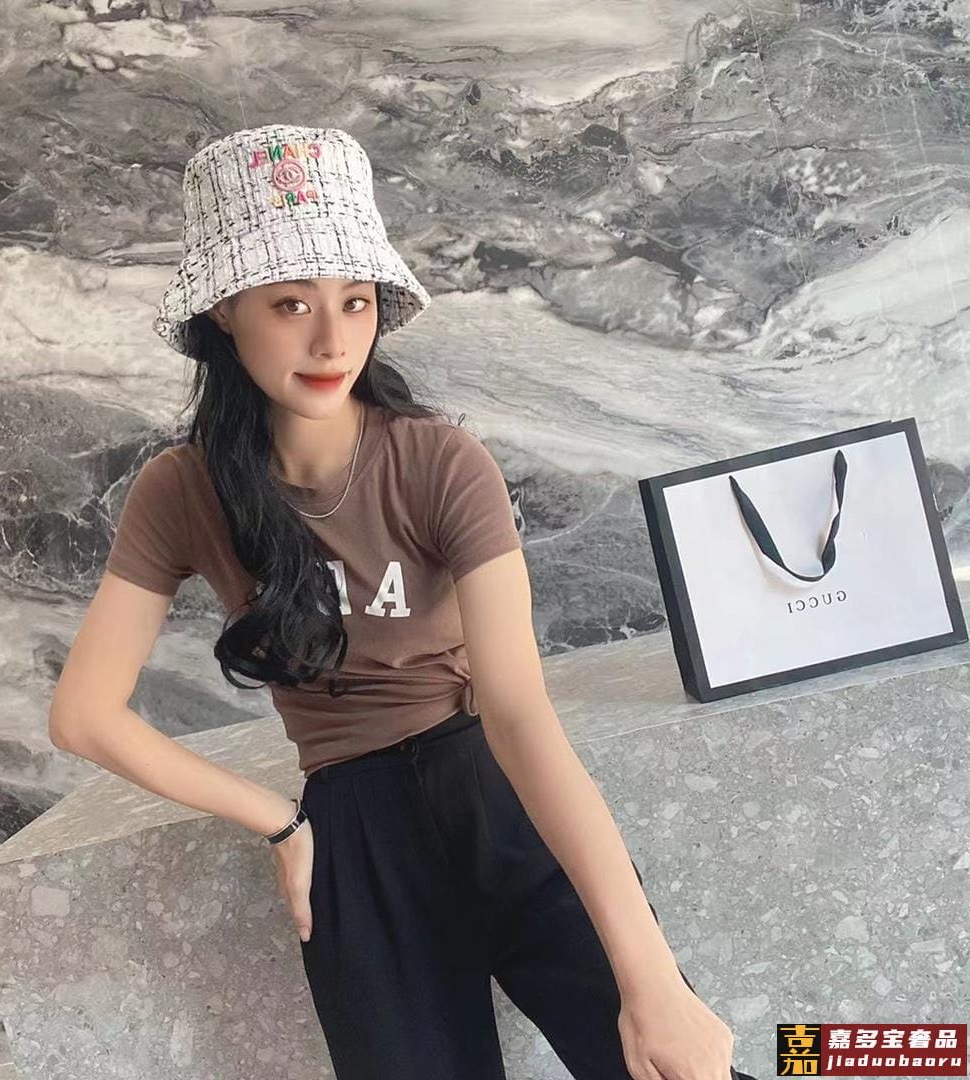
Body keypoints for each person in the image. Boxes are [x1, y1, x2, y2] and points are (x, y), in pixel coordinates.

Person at [49, 123, 758, 1080]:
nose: (332, 340)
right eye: (291, 303)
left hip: (492, 790)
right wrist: (277, 819)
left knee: (667, 1063)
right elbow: (84, 715)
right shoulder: (182, 490)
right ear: (225, 310)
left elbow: (519, 713)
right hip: (353, 835)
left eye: (356, 301)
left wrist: (655, 981)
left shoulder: (438, 463)